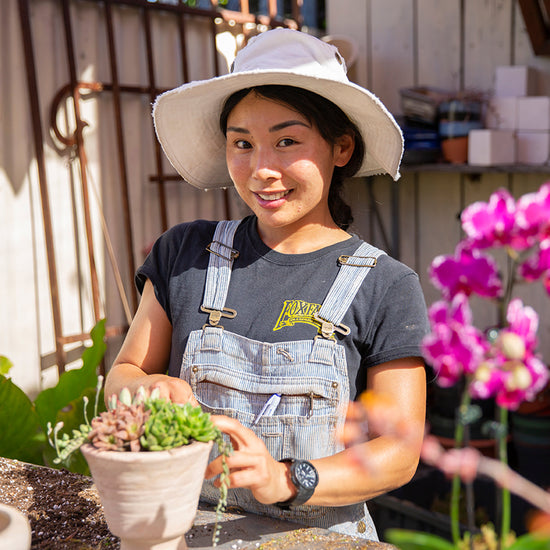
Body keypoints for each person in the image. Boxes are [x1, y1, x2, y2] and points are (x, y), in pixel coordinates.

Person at [105, 28, 429, 541]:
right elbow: (121, 376)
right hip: (183, 531)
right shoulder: (184, 254)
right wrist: (147, 388)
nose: (261, 170)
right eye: (242, 144)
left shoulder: (386, 285)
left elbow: (398, 453)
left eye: (287, 141)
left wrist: (286, 478)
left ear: (340, 147)